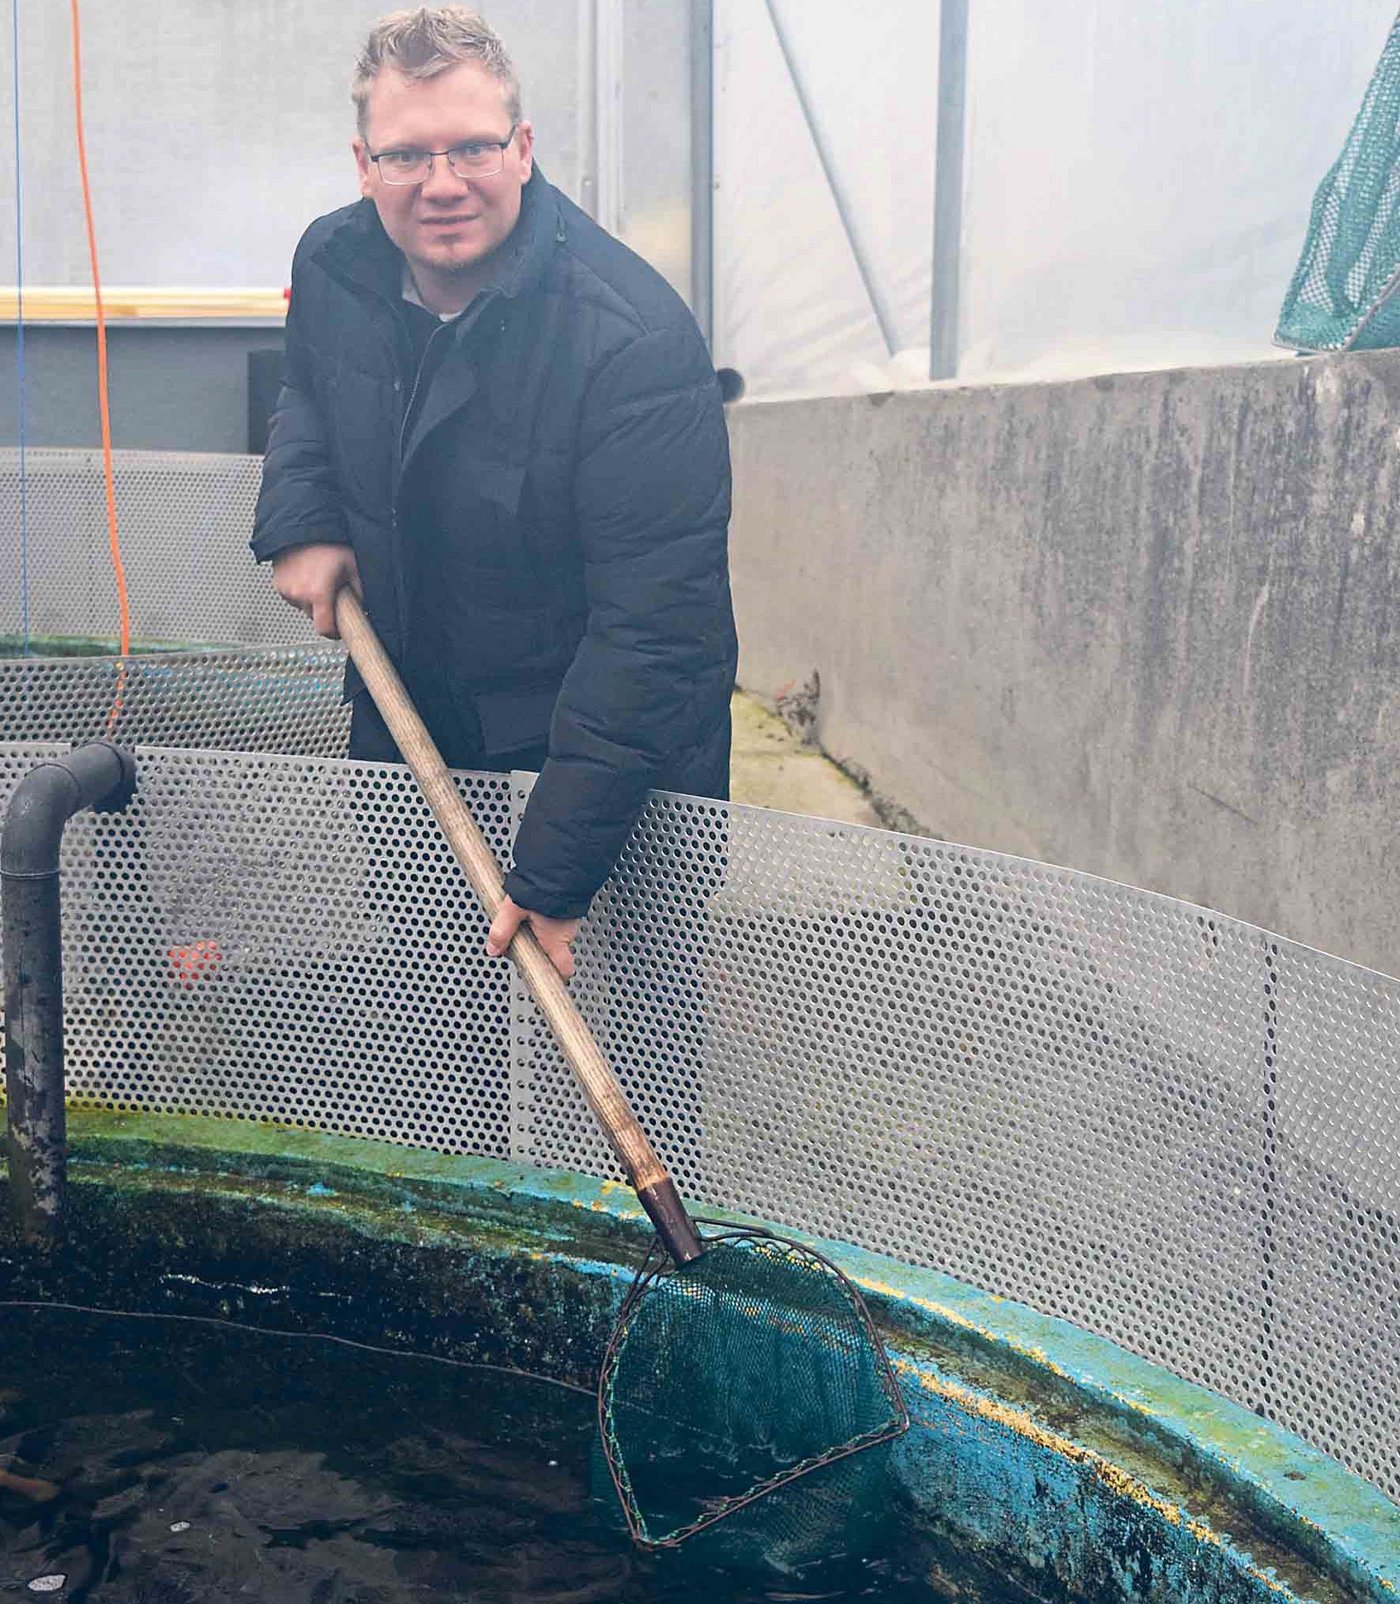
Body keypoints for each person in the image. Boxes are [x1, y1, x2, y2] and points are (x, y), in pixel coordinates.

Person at [251, 6, 737, 980]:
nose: (441, 184)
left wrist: (556, 872)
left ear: (520, 148)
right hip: (412, 725)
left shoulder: (630, 342)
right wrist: (301, 517)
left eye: (471, 146)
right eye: (406, 155)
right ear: (363, 163)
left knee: (621, 1051)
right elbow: (310, 386)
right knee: (440, 1011)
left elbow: (656, 637)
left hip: (605, 777)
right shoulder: (336, 264)